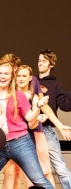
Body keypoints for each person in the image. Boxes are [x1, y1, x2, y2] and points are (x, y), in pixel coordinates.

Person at [0, 63, 53, 189]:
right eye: (0, 73)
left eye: (6, 74)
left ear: (11, 77)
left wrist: (38, 107)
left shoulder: (18, 95)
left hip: (20, 143)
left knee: (39, 180)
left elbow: (30, 117)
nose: (3, 77)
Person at [15, 65, 55, 187]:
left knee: (46, 172)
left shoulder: (35, 96)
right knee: (26, 174)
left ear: (30, 78)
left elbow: (32, 123)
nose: (21, 78)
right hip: (20, 137)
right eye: (18, 76)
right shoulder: (12, 95)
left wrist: (38, 117)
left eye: (24, 76)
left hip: (36, 134)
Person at [37, 49, 71, 188]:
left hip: (46, 130)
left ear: (52, 64)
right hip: (28, 130)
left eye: (44, 61)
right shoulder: (31, 81)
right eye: (39, 60)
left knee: (60, 168)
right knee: (35, 170)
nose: (40, 63)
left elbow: (66, 105)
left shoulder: (55, 85)